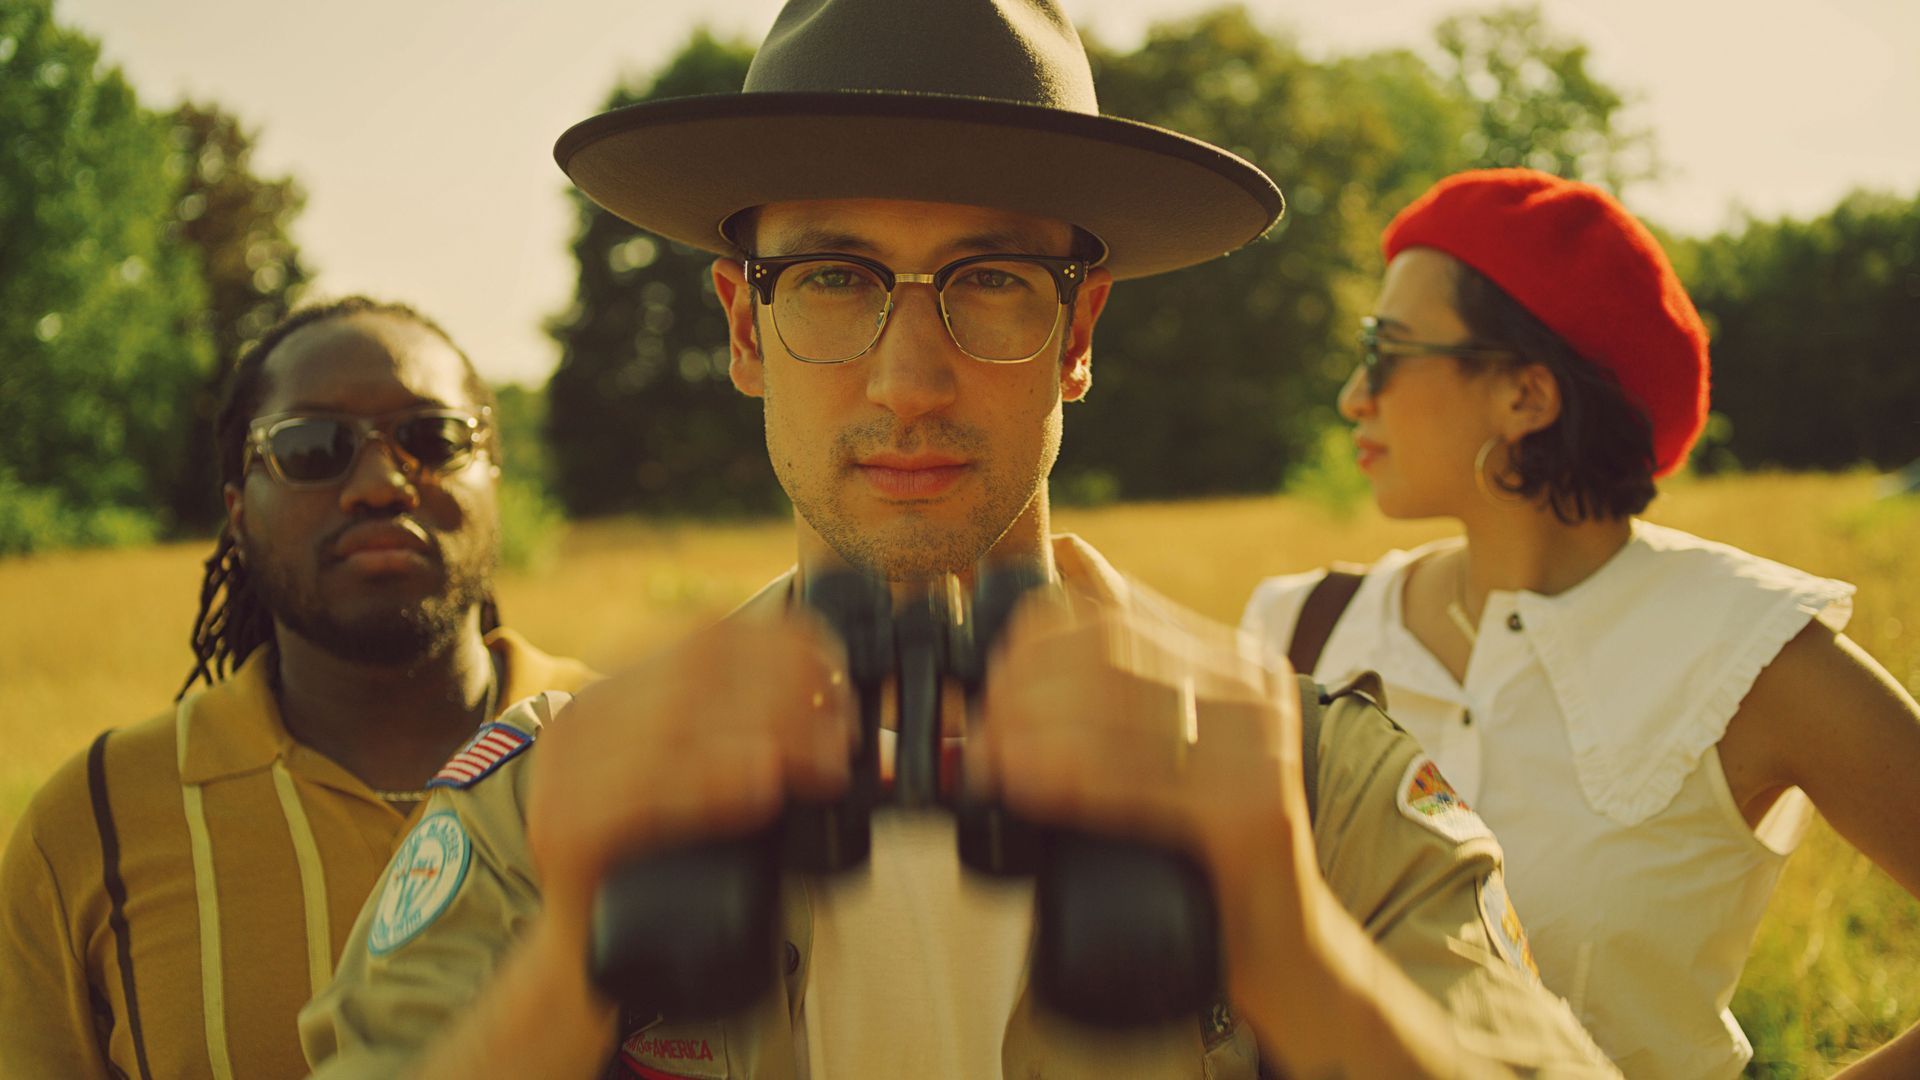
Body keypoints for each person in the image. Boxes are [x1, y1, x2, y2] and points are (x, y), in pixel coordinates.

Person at [301, 5, 1617, 1077]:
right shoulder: (559, 798)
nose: (909, 381)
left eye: (992, 280)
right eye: (833, 280)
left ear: (1082, 331)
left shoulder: (1315, 785)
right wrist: (567, 981)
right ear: (745, 328)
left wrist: (1293, 952)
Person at [1242, 168, 1920, 1079]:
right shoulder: (1300, 630)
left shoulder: (1754, 649)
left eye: (1388, 348)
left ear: (1527, 396)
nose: (1355, 395)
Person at [0, 297, 596, 1078]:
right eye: (312, 447)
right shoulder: (95, 821)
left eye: (432, 437)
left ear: (495, 478)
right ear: (238, 513)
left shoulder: (640, 748)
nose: (381, 484)